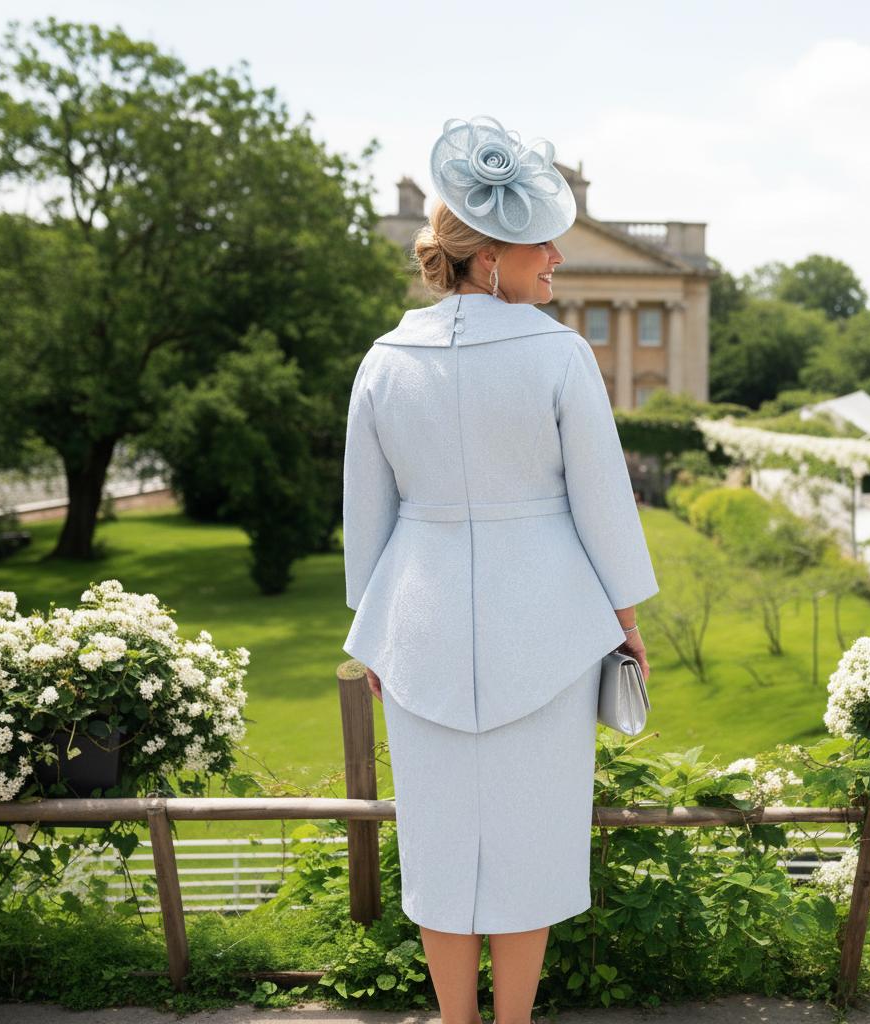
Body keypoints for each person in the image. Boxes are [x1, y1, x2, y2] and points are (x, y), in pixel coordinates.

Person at [341, 115, 658, 1024]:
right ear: (489, 258)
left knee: (439, 852)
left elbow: (366, 527)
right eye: (537, 241)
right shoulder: (561, 353)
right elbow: (605, 508)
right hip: (549, 634)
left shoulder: (381, 363)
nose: (557, 253)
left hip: (418, 632)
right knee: (530, 848)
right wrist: (628, 628)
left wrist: (375, 631)